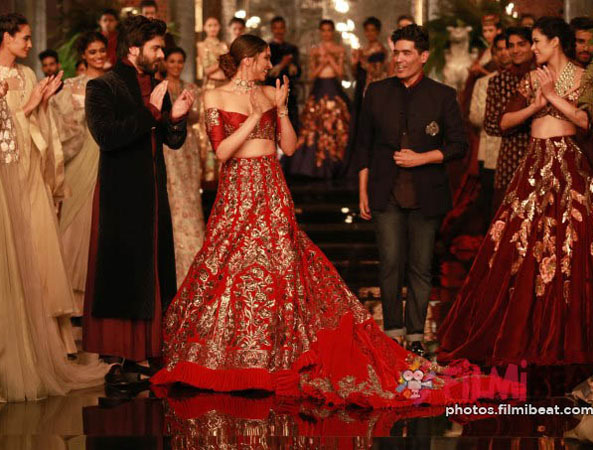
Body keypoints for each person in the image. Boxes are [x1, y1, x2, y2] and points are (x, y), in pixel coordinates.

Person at [150, 34, 517, 407]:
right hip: (238, 191)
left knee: (281, 269)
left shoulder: (270, 93)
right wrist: (258, 115)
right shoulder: (215, 95)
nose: (269, 65)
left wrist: (281, 110)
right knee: (232, 268)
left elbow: (289, 147)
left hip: (271, 187)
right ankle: (237, 354)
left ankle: (275, 352)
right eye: (264, 59)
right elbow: (223, 150)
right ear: (249, 60)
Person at [438, 17, 593, 366]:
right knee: (519, 246)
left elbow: (586, 121)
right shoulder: (532, 77)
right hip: (533, 164)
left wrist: (552, 95)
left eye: (538, 41)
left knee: (570, 246)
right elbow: (504, 122)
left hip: (569, 165)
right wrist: (536, 105)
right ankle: (521, 331)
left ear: (555, 42)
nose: (533, 48)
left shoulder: (584, 77)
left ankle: (563, 333)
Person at [0, 12, 107, 402]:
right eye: (24, 38)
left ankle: (44, 345)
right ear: (5, 37)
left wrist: (40, 104)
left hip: (29, 172)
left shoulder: (28, 74)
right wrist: (27, 107)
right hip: (4, 176)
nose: (30, 45)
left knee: (37, 253)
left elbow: (41, 129)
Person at [83, 15, 193, 386]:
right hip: (121, 193)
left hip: (153, 191)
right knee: (123, 270)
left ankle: (149, 351)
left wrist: (176, 119)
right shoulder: (103, 86)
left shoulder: (158, 86)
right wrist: (150, 112)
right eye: (156, 48)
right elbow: (107, 136)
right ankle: (119, 359)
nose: (162, 54)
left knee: (154, 267)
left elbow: (171, 141)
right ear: (133, 48)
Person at [357, 24, 467, 357]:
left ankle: (416, 335)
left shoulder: (442, 95)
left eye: (407, 53)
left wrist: (422, 158)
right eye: (396, 53)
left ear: (423, 56)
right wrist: (362, 191)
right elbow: (363, 145)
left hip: (426, 192)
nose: (399, 59)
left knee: (420, 266)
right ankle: (393, 334)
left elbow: (458, 146)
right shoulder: (377, 92)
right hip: (385, 189)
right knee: (390, 263)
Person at [49, 31, 107, 316]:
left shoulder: (114, 83)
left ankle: (99, 298)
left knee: (100, 223)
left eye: (101, 51)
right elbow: (56, 121)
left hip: (106, 156)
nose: (98, 56)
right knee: (74, 223)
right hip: (78, 156)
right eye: (92, 52)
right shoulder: (71, 85)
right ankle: (72, 303)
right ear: (83, 55)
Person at [162, 46, 205, 286]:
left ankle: (193, 255)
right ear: (165, 63)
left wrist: (188, 110)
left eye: (180, 61)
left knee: (189, 194)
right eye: (172, 61)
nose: (176, 66)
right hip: (169, 144)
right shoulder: (160, 87)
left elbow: (198, 117)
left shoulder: (191, 88)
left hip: (188, 145)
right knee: (171, 193)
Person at [287, 19, 350, 179]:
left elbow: (341, 73)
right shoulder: (314, 50)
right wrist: (323, 63)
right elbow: (311, 75)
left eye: (329, 30)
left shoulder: (339, 49)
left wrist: (330, 60)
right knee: (313, 124)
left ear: (333, 32)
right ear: (320, 32)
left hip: (333, 87)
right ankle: (314, 167)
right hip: (319, 87)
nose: (326, 33)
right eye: (324, 30)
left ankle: (335, 165)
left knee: (337, 123)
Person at [483, 27, 535, 208]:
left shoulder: (545, 75)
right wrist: (523, 118)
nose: (515, 50)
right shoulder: (499, 81)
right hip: (511, 156)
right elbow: (491, 125)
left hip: (541, 155)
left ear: (532, 45)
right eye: (511, 46)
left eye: (521, 44)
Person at [468, 33, 512, 228]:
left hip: (516, 150)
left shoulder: (527, 79)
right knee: (490, 202)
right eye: (498, 50)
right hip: (489, 151)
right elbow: (476, 117)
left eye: (506, 48)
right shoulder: (484, 82)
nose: (503, 53)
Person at [345, 16, 387, 177]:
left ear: (378, 31)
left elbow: (377, 72)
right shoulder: (363, 49)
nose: (370, 33)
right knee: (360, 126)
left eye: (373, 30)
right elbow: (356, 74)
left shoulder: (380, 50)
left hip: (373, 91)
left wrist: (362, 60)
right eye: (367, 30)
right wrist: (354, 62)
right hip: (361, 89)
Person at [196, 16, 228, 183]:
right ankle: (209, 173)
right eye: (209, 25)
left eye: (215, 25)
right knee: (209, 126)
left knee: (225, 126)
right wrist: (222, 61)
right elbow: (207, 70)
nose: (213, 28)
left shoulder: (224, 45)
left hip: (225, 87)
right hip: (210, 87)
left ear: (219, 26)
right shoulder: (201, 45)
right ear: (204, 27)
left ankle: (223, 171)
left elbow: (229, 68)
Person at [265, 16, 301, 133]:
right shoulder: (267, 49)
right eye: (276, 28)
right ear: (272, 29)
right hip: (272, 91)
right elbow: (268, 73)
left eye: (281, 28)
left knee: (291, 123)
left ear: (285, 29)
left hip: (290, 92)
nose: (279, 31)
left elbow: (297, 72)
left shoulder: (292, 49)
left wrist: (290, 65)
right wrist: (283, 64)